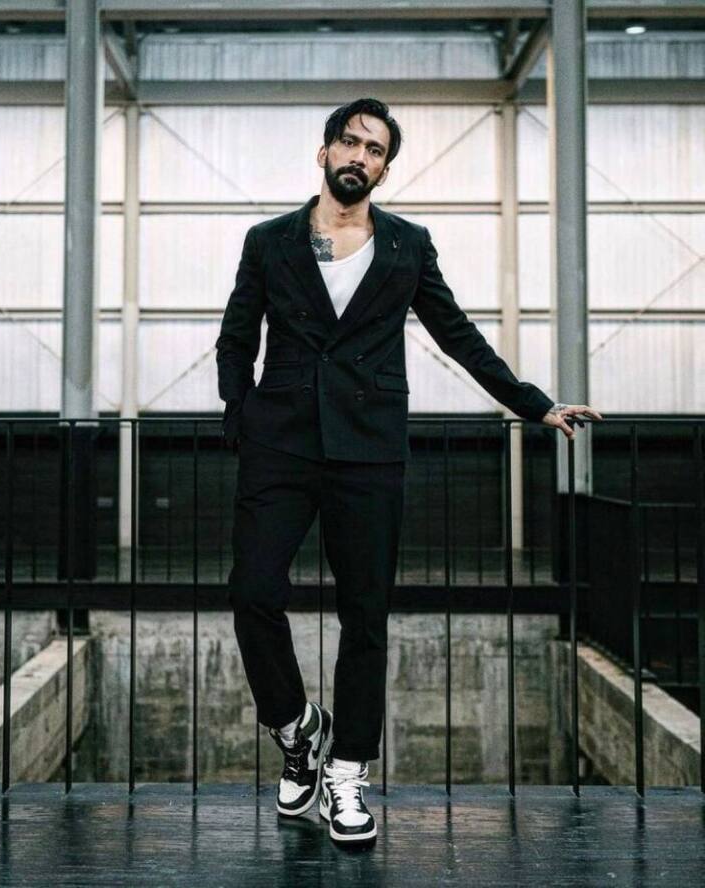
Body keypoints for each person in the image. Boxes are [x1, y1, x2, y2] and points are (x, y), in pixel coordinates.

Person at [215, 97, 602, 846]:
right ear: (325, 152)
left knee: (365, 616)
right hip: (282, 446)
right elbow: (237, 336)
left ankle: (347, 773)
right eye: (350, 142)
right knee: (252, 591)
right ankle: (297, 729)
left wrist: (535, 405)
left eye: (376, 150)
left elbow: (459, 337)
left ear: (385, 170)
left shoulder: (406, 246)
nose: (360, 156)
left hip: (369, 448)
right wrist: (242, 415)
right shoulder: (268, 241)